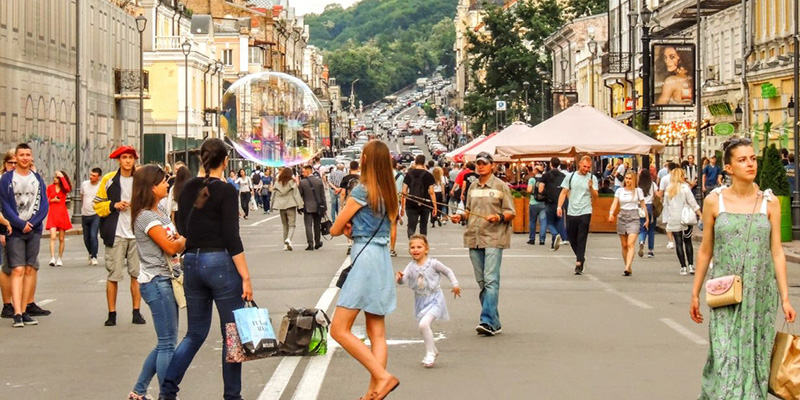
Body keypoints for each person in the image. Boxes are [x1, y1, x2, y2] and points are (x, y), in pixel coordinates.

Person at [690, 137, 796, 398]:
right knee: (725, 360)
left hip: (760, 296)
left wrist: (785, 298)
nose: (750, 164)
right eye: (742, 160)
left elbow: (777, 252)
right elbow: (706, 250)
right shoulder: (715, 202)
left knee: (755, 362)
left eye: (752, 159)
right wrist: (694, 292)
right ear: (729, 168)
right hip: (725, 294)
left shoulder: (769, 203)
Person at [162, 138, 253, 400]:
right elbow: (232, 237)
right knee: (231, 334)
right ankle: (232, 396)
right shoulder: (227, 191)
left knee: (195, 333)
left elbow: (182, 226)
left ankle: (168, 389)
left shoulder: (188, 187)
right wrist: (245, 276)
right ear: (225, 161)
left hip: (191, 261)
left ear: (202, 159)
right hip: (220, 263)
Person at [329, 140, 400, 400]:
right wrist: (355, 227)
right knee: (377, 332)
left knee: (338, 329)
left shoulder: (361, 191)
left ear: (367, 160)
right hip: (382, 257)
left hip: (364, 256)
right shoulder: (390, 192)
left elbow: (335, 228)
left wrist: (347, 228)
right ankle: (374, 392)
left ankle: (382, 378)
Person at [128, 165, 186, 400]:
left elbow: (175, 239)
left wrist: (179, 240)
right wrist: (181, 241)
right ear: (152, 187)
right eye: (163, 182)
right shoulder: (146, 216)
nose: (167, 184)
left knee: (166, 342)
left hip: (167, 279)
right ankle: (166, 394)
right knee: (167, 344)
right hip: (157, 281)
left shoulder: (160, 211)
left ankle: (138, 392)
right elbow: (172, 245)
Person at [450, 152, 514, 337]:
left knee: (491, 280)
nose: (480, 166)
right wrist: (460, 216)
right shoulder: (472, 187)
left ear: (492, 165)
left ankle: (486, 320)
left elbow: (511, 212)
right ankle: (494, 322)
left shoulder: (501, 186)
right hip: (474, 238)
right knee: (482, 282)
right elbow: (469, 211)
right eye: (478, 164)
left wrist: (499, 217)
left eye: (484, 164)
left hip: (494, 238)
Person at [94, 146, 146, 327]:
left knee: (136, 274)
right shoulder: (109, 180)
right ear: (118, 160)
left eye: (131, 158)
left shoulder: (140, 180)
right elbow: (97, 205)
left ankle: (136, 311)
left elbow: (149, 201)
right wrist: (114, 205)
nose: (127, 161)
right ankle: (112, 313)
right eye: (124, 157)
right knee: (113, 275)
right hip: (115, 232)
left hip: (136, 233)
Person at [0, 143, 50, 326]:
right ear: (16, 157)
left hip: (34, 230)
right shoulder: (7, 179)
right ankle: (17, 313)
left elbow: (44, 204)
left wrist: (33, 223)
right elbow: (4, 204)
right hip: (15, 230)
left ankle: (26, 308)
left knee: (30, 268)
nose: (24, 158)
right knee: (17, 269)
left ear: (31, 157)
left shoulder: (37, 178)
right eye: (21, 155)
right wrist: (20, 223)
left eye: (28, 155)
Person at [396, 234, 460, 368]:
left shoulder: (433, 263)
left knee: (424, 325)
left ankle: (430, 353)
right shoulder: (410, 266)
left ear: (426, 249)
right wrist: (400, 278)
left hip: (435, 299)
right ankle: (433, 349)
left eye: (419, 247)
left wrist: (455, 284)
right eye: (412, 247)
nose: (415, 250)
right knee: (424, 326)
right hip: (420, 300)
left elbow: (448, 271)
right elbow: (403, 281)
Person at [556, 156, 598, 275]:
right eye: (584, 166)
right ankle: (581, 256)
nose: (586, 169)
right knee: (571, 235)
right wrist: (559, 207)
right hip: (571, 211)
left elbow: (596, 196)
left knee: (582, 237)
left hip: (585, 210)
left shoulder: (592, 178)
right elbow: (563, 192)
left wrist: (591, 188)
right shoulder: (570, 177)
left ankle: (579, 262)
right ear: (579, 164)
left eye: (588, 167)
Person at [607, 171, 647, 276]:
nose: (627, 180)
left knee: (630, 244)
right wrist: (611, 213)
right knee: (624, 245)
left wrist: (647, 219)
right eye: (626, 178)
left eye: (630, 178)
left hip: (634, 217)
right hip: (622, 217)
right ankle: (628, 266)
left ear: (634, 180)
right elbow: (615, 203)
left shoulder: (638, 191)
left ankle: (627, 266)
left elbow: (643, 205)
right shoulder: (619, 191)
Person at [664, 168, 702, 275]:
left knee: (678, 243)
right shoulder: (685, 188)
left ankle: (683, 266)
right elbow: (693, 203)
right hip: (686, 218)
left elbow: (666, 204)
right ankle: (690, 265)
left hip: (674, 218)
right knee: (688, 241)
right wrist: (700, 214)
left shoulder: (668, 189)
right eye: (683, 175)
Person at [402, 155, 437, 238]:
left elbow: (404, 191)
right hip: (425, 202)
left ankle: (412, 242)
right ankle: (422, 243)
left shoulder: (409, 174)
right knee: (423, 226)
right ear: (424, 162)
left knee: (411, 226)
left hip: (411, 203)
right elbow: (431, 192)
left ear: (415, 161)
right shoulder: (428, 175)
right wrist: (434, 206)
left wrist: (403, 206)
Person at [0, 151, 17, 318]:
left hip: (17, 228)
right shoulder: (2, 181)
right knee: (6, 268)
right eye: (10, 162)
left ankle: (22, 302)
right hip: (5, 229)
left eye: (15, 162)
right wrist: (2, 231)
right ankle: (7, 304)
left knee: (18, 268)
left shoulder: (19, 179)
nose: (13, 165)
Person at [538, 157, 568, 250]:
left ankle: (555, 234)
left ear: (550, 164)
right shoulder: (563, 175)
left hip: (549, 201)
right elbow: (566, 190)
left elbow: (540, 189)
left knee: (549, 222)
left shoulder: (546, 175)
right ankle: (553, 243)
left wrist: (544, 193)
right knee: (558, 221)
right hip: (560, 201)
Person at [272, 168, 304, 251]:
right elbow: (296, 194)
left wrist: (272, 205)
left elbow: (273, 193)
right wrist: (300, 206)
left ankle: (285, 245)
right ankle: (289, 239)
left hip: (281, 205)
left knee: (285, 225)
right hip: (290, 204)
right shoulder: (291, 182)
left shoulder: (278, 182)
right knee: (292, 224)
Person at [46, 170, 72, 267]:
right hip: (53, 213)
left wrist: (62, 177)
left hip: (62, 213)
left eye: (57, 177)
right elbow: (45, 200)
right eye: (55, 177)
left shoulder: (63, 188)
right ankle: (52, 257)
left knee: (61, 238)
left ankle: (59, 258)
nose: (55, 179)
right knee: (53, 236)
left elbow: (67, 188)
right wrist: (52, 200)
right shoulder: (50, 187)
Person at [298, 165, 327, 251]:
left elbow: (299, 195)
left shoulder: (302, 183)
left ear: (308, 171)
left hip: (307, 207)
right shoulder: (319, 181)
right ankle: (317, 242)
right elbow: (323, 196)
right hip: (318, 207)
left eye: (303, 171)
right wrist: (324, 207)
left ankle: (310, 244)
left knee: (308, 225)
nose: (302, 173)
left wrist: (299, 207)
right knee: (317, 225)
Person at [80, 168, 102, 266]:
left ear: (98, 177)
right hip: (85, 214)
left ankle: (94, 256)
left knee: (93, 235)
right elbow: (82, 196)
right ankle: (90, 252)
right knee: (86, 238)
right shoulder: (85, 184)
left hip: (96, 214)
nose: (91, 177)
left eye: (93, 175)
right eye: (90, 175)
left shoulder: (101, 185)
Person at [657, 162, 679, 250]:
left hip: (668, 202)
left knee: (668, 223)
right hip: (678, 202)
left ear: (668, 169)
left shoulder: (665, 179)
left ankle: (670, 241)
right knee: (677, 222)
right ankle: (678, 240)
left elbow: (661, 192)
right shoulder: (678, 178)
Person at [637, 169, 658, 258]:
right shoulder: (653, 185)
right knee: (651, 230)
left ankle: (641, 241)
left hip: (641, 208)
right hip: (650, 207)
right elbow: (657, 195)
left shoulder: (638, 186)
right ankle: (650, 250)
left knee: (642, 228)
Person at [526, 164, 548, 245]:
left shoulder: (532, 179)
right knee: (543, 221)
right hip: (543, 203)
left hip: (533, 202)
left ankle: (532, 239)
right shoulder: (545, 179)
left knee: (532, 221)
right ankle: (542, 240)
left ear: (536, 171)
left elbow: (529, 190)